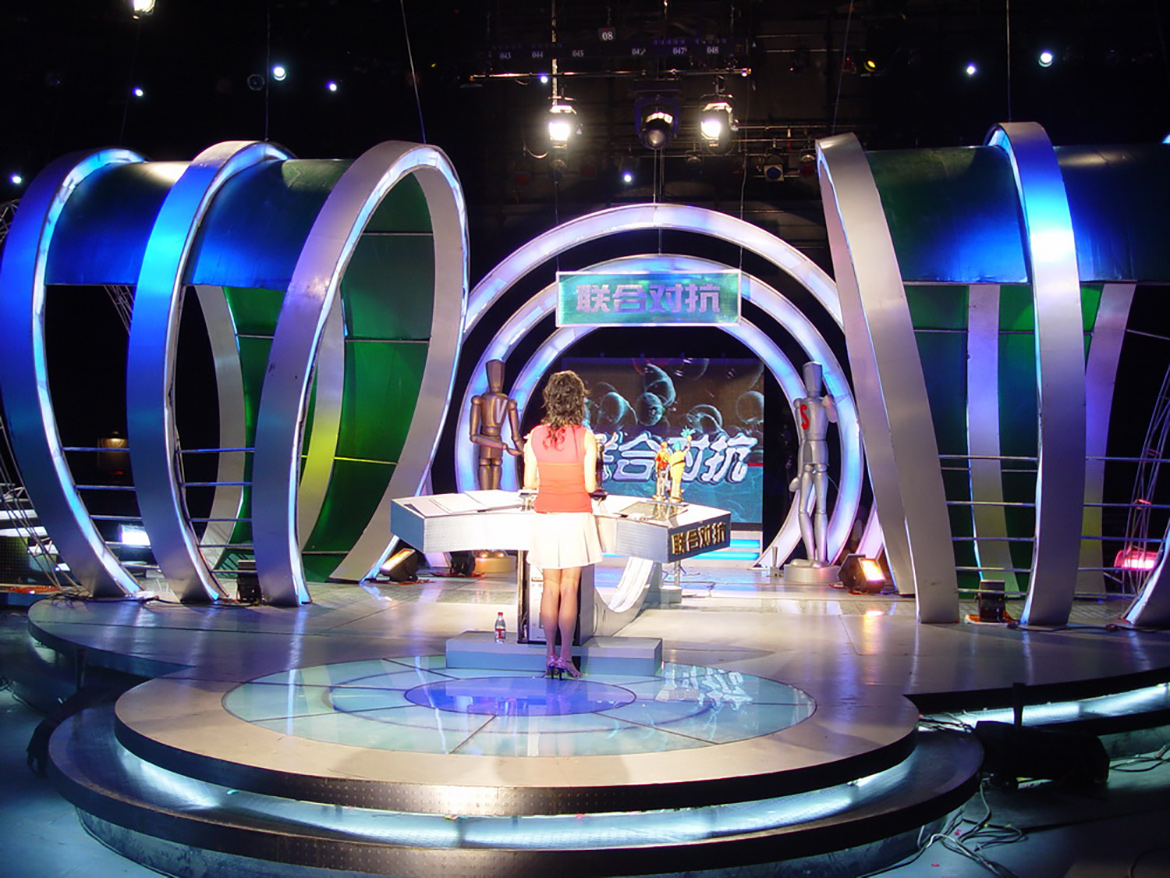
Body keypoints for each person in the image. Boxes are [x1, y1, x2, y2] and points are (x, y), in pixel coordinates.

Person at [523, 370, 602, 679]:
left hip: (546, 516)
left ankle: (549, 656)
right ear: (578, 401)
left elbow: (529, 482)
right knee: (570, 587)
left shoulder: (535, 436)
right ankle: (566, 656)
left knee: (550, 587)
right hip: (575, 516)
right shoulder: (585, 437)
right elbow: (589, 485)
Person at [789, 362, 838, 567]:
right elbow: (802, 438)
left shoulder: (824, 402)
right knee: (802, 509)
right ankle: (811, 556)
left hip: (820, 456)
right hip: (807, 457)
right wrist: (799, 473)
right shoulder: (801, 404)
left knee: (821, 509)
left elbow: (833, 419)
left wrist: (830, 405)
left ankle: (821, 557)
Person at [469, 359, 523, 491]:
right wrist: (503, 446)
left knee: (496, 465)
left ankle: (493, 495)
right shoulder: (480, 400)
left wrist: (524, 452)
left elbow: (516, 436)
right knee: (485, 464)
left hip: (496, 441)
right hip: (489, 440)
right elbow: (473, 436)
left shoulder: (508, 402)